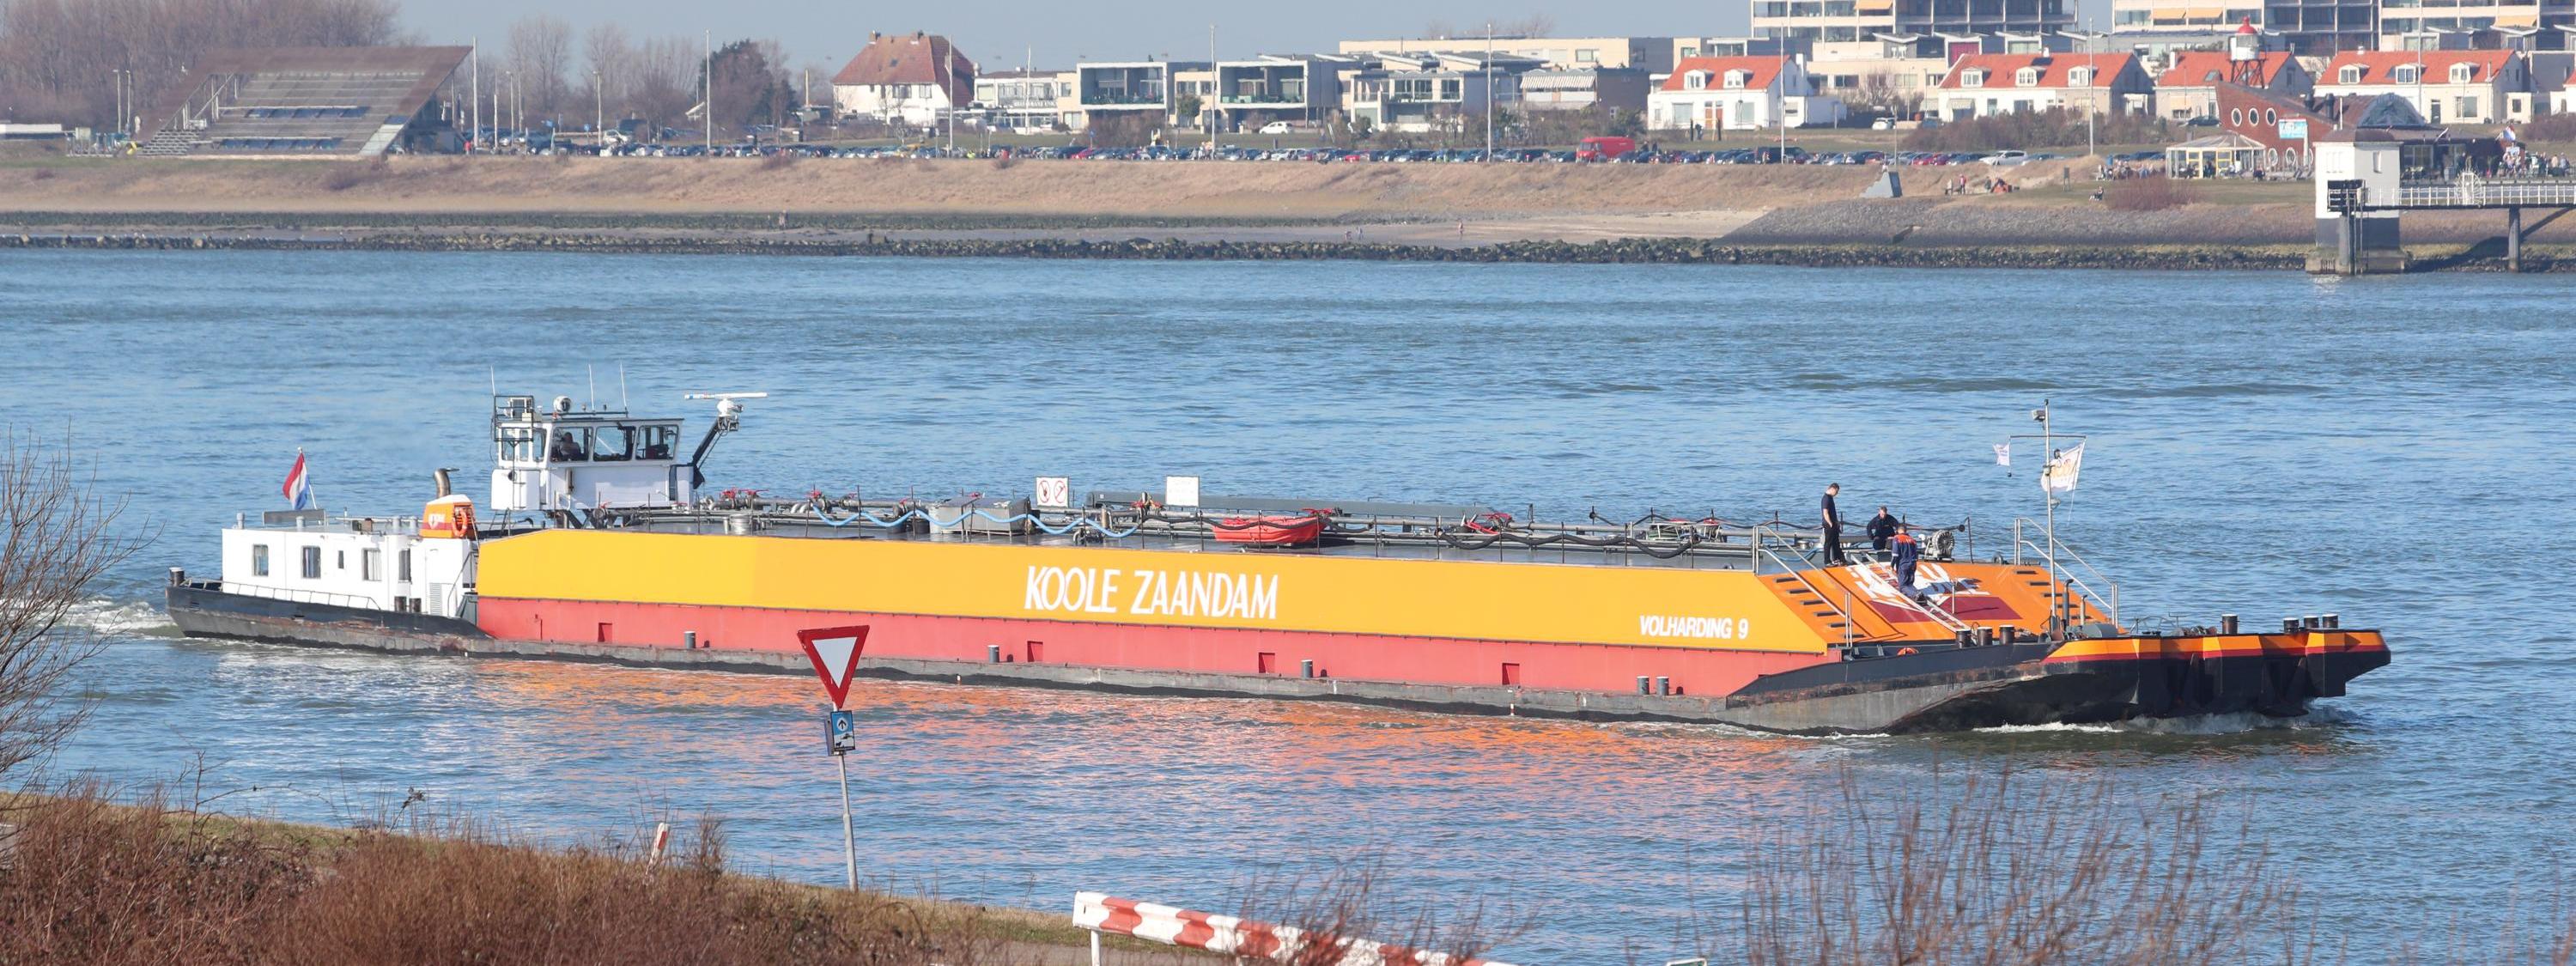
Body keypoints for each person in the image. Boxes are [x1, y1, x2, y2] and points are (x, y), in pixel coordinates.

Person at [1889, 523, 1920, 599]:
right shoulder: (1912, 539)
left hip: (1903, 565)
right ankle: (1918, 593)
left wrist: (1892, 566)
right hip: (1913, 564)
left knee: (1902, 586)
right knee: (1909, 583)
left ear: (1898, 530)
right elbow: (1916, 554)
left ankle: (1914, 595)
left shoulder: (1897, 538)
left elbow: (1895, 555)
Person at [1820, 483, 1846, 565]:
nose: (1837, 494)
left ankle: (1837, 558)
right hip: (1829, 524)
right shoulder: (1826, 498)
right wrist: (1830, 523)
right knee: (1828, 542)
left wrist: (1836, 522)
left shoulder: (1830, 498)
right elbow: (1825, 513)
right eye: (1836, 491)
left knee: (1836, 542)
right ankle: (1827, 561)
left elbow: (1833, 512)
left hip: (1834, 523)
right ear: (1832, 489)